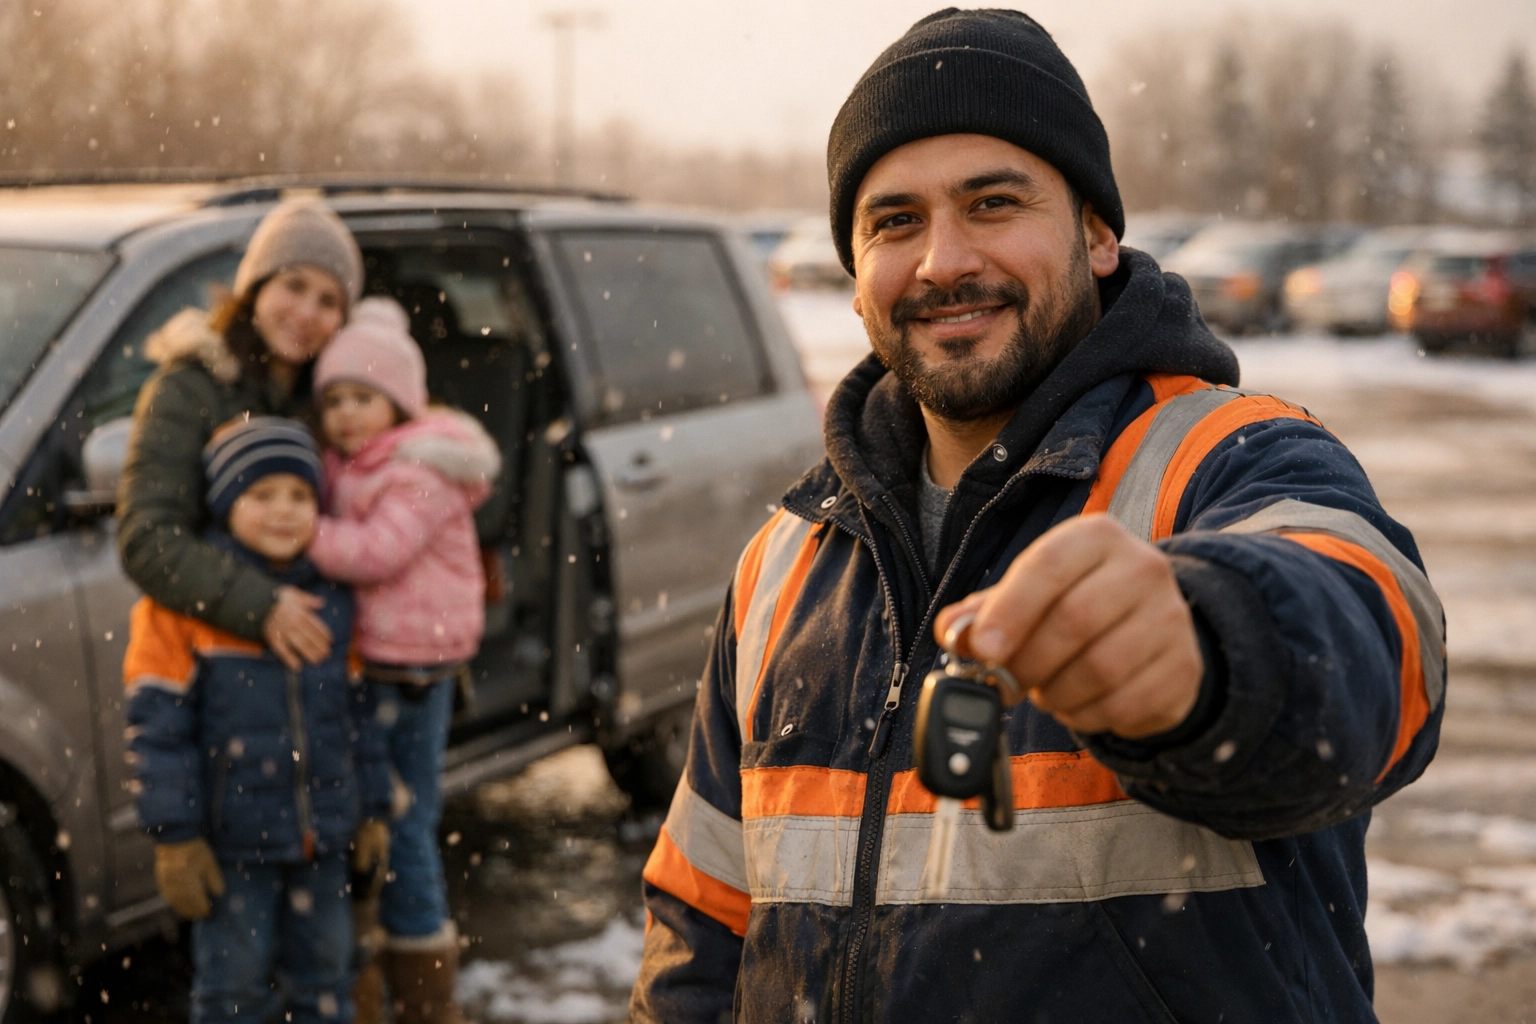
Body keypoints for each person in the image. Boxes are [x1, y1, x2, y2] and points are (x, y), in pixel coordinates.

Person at [631, 9, 1445, 1023]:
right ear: (852, 273)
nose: (942, 260)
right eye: (894, 221)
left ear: (1099, 234)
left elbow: (1382, 660)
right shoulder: (785, 559)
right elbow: (699, 926)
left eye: (992, 202)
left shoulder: (1230, 456)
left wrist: (1211, 649)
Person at [124, 418, 392, 1024]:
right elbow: (157, 732)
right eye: (261, 495)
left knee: (326, 980)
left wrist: (372, 811)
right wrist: (175, 837)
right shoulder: (181, 607)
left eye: (299, 496)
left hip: (321, 842)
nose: (283, 511)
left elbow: (357, 719)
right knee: (233, 991)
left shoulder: (331, 598)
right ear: (224, 505)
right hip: (232, 845)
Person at [305, 297, 501, 1024]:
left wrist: (303, 533)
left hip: (412, 667)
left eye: (364, 398)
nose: (348, 415)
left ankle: (424, 992)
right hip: (380, 662)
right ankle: (374, 979)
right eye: (335, 401)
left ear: (400, 403)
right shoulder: (361, 462)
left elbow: (377, 552)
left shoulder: (420, 469)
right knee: (374, 814)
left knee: (405, 819)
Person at [119, 198, 363, 671]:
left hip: (320, 675)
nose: (308, 312)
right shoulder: (190, 387)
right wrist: (262, 603)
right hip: (215, 662)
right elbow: (147, 539)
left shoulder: (337, 403)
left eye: (329, 301)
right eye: (294, 285)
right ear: (255, 288)